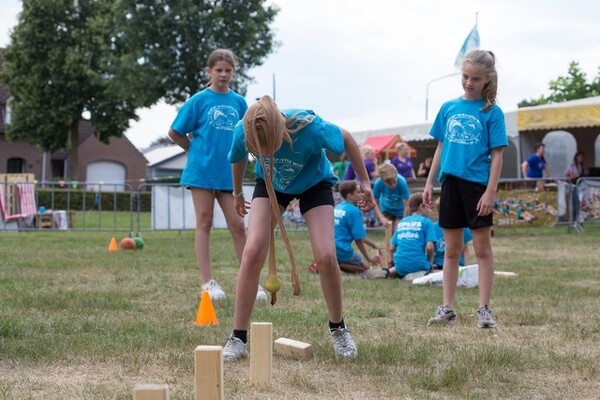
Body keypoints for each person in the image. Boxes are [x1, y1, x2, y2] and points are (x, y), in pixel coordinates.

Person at [223, 96, 375, 362]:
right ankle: (238, 337)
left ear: (283, 131)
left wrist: (364, 180)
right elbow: (237, 158)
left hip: (314, 183)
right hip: (271, 185)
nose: (267, 154)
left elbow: (348, 138)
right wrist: (237, 193)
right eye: (262, 152)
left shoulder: (310, 127)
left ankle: (338, 328)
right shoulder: (243, 129)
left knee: (326, 256)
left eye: (272, 148)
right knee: (252, 250)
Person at [168, 49, 266, 302]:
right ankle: (207, 283)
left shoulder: (240, 103)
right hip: (201, 171)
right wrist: (192, 149)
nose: (223, 74)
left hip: (228, 174)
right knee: (204, 221)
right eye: (218, 70)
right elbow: (174, 132)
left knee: (237, 225)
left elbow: (245, 141)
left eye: (228, 70)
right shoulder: (198, 100)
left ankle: (251, 281)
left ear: (234, 72)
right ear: (208, 71)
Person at [423, 49, 507, 329]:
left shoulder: (492, 113)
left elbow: (497, 154)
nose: (469, 82)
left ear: (487, 80)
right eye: (465, 76)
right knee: (451, 250)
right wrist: (429, 182)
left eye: (475, 78)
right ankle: (447, 309)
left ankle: (484, 309)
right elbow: (440, 147)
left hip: (477, 187)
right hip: (450, 185)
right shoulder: (448, 108)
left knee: (482, 249)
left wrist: (490, 191)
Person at [333, 180, 382, 274]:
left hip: (330, 248)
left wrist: (374, 246)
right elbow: (359, 239)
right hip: (342, 249)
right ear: (350, 195)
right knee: (365, 270)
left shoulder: (338, 207)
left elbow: (360, 237)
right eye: (359, 192)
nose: (362, 195)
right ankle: (337, 266)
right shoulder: (354, 211)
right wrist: (369, 258)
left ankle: (333, 263)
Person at [388, 192, 436, 279]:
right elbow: (430, 247)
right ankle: (418, 274)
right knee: (430, 269)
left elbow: (391, 247)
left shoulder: (402, 222)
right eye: (429, 205)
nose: (431, 210)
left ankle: (392, 271)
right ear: (421, 206)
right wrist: (430, 262)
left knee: (400, 267)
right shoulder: (427, 222)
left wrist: (392, 261)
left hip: (400, 266)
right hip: (418, 265)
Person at [372, 163, 410, 265]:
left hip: (400, 211)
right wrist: (381, 217)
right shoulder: (378, 183)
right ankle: (389, 259)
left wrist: (404, 221)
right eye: (390, 184)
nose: (393, 185)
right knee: (389, 233)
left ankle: (399, 256)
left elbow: (407, 204)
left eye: (394, 182)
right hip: (386, 209)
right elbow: (374, 201)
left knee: (398, 232)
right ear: (383, 181)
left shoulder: (401, 182)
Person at [432, 198, 472, 270]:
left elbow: (465, 249)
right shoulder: (433, 228)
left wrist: (466, 267)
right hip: (438, 263)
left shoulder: (463, 227)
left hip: (457, 263)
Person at [564, 150, 589, 224]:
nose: (582, 158)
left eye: (583, 157)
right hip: (574, 186)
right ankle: (574, 218)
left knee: (582, 202)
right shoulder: (571, 167)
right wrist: (575, 176)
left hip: (583, 187)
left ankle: (581, 217)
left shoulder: (584, 167)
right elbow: (566, 177)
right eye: (580, 156)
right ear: (577, 157)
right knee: (575, 202)